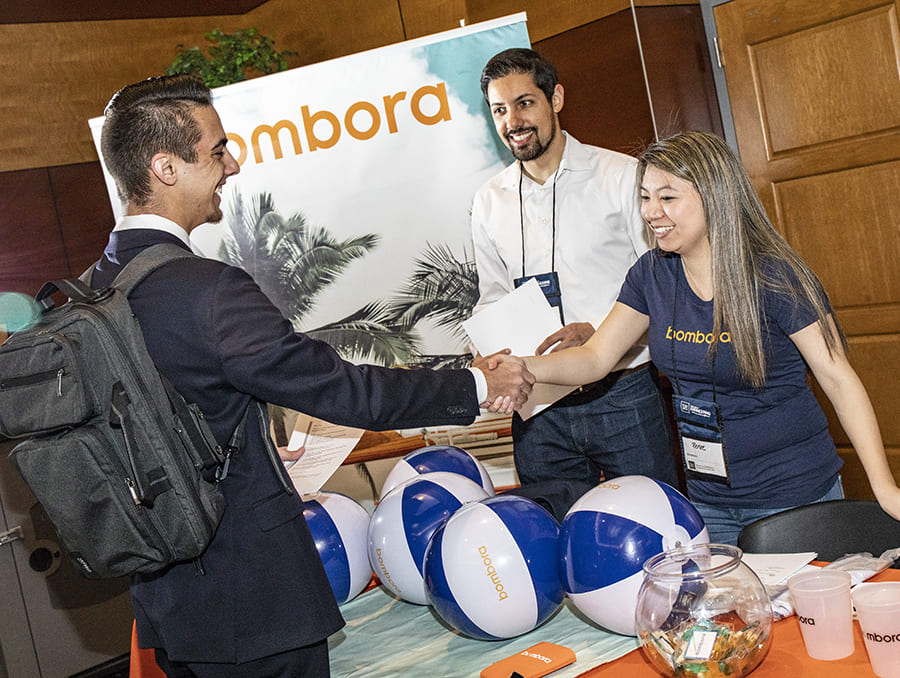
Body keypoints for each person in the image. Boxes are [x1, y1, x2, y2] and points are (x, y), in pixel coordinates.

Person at [94, 74, 534, 677]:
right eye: (219, 149)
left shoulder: (91, 292)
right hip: (255, 602)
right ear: (166, 168)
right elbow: (344, 390)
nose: (235, 163)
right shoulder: (208, 291)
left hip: (169, 606)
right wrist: (478, 384)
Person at [493, 130, 900, 544]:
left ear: (714, 196)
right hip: (708, 500)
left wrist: (884, 488)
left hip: (794, 497)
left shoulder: (775, 276)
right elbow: (596, 357)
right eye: (645, 197)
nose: (651, 212)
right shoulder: (651, 273)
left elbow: (838, 378)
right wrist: (522, 368)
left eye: (668, 197)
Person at [470, 48, 677, 490]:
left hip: (623, 395)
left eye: (525, 103)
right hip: (538, 410)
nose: (513, 122)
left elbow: (664, 284)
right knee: (555, 539)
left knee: (659, 533)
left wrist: (601, 336)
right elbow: (492, 296)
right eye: (500, 110)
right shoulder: (488, 200)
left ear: (555, 99)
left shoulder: (621, 177)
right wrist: (486, 352)